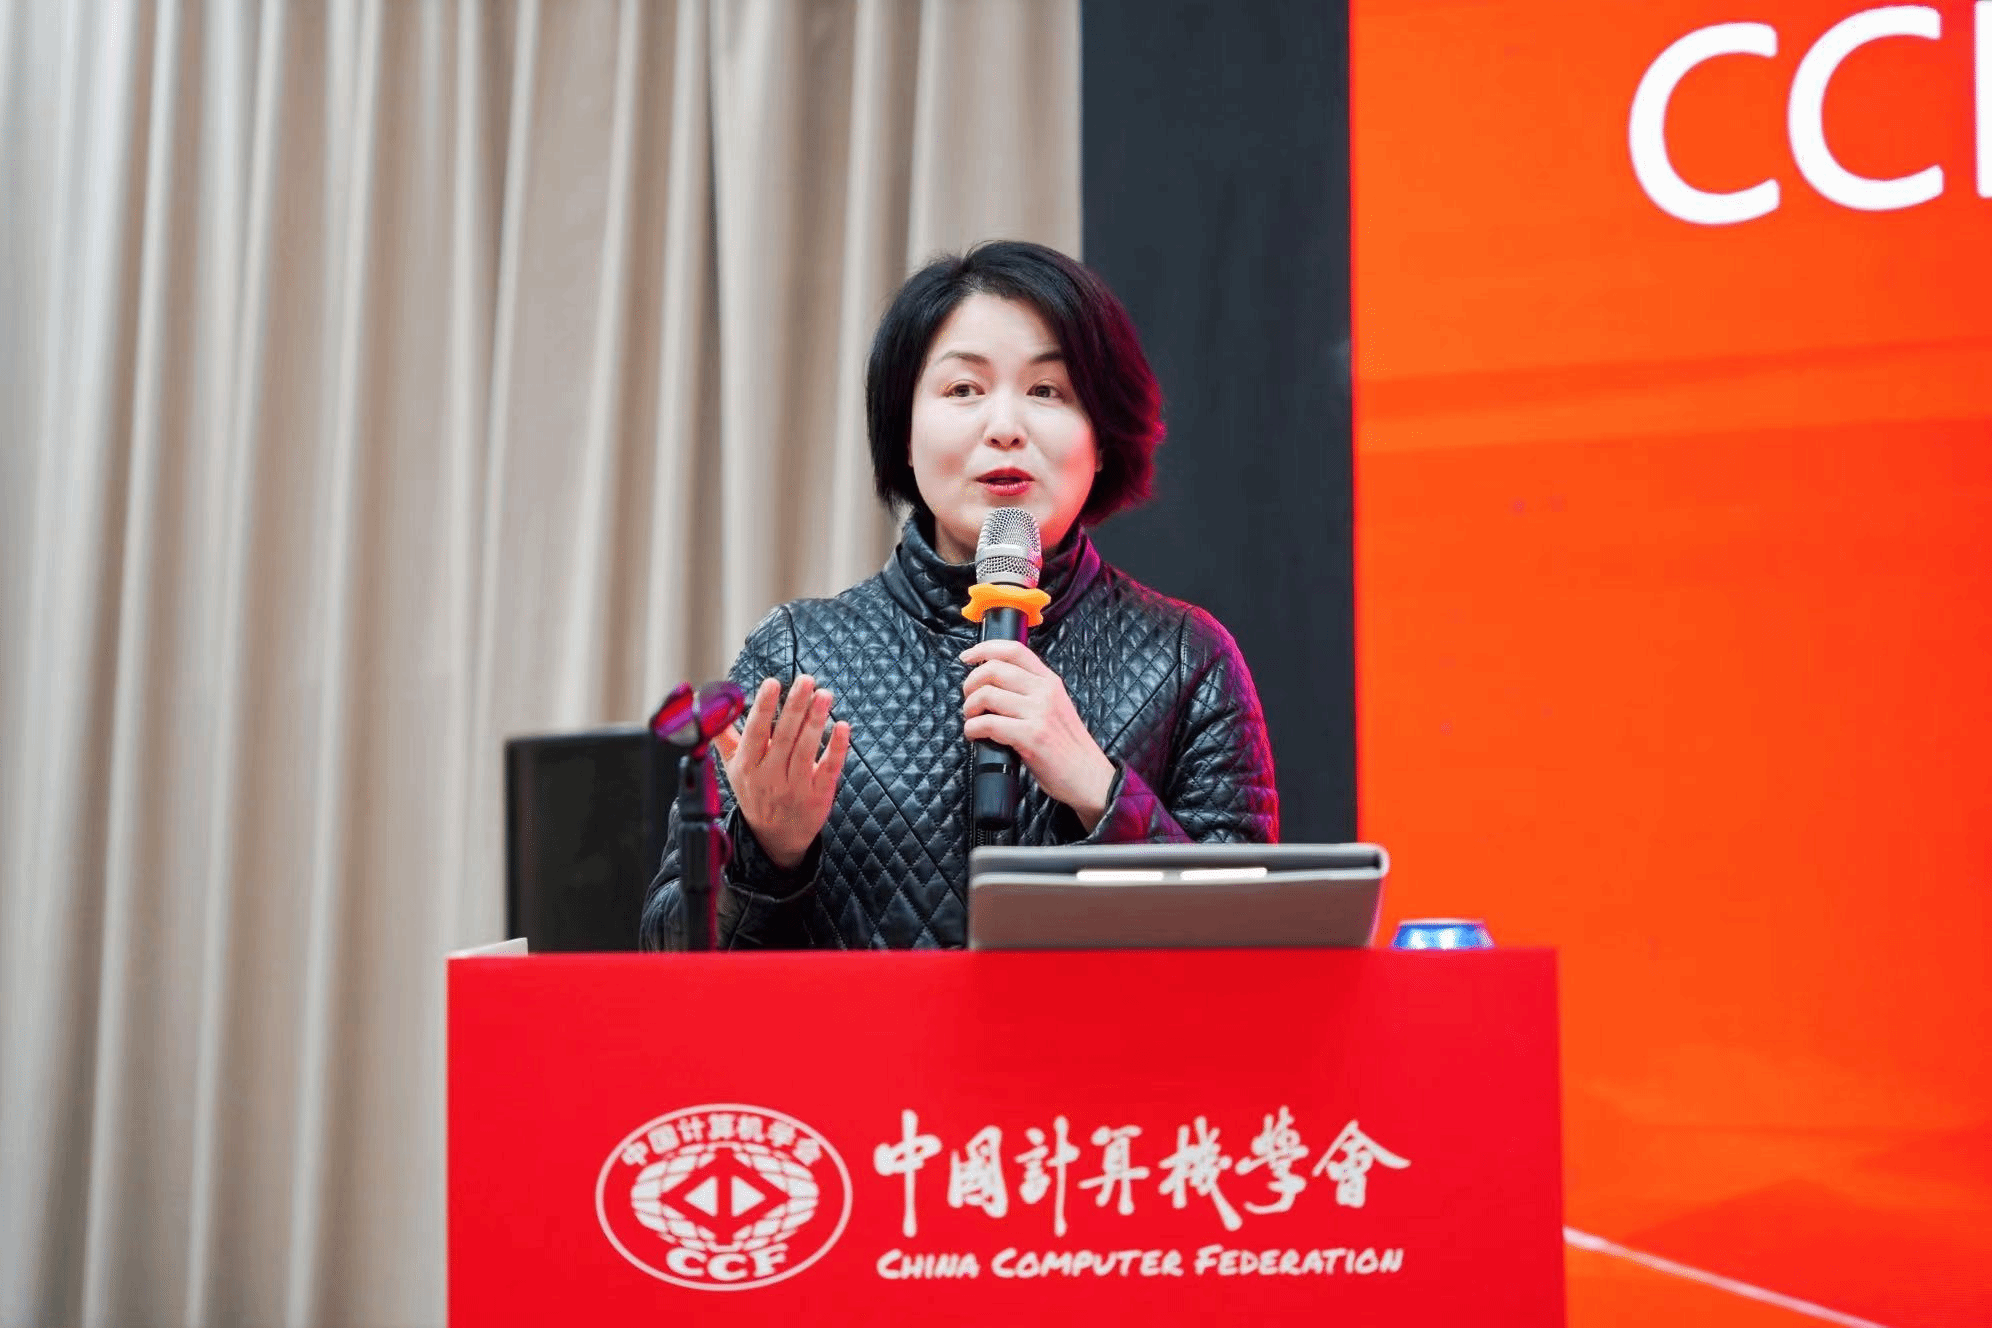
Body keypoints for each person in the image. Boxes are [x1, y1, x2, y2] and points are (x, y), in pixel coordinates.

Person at [640, 240, 1277, 950]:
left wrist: (1100, 789)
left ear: (1102, 437)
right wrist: (768, 852)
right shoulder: (799, 654)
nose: (1004, 428)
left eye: (1047, 391)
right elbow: (668, 954)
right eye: (963, 390)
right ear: (905, 435)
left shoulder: (1185, 658)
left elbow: (1254, 949)